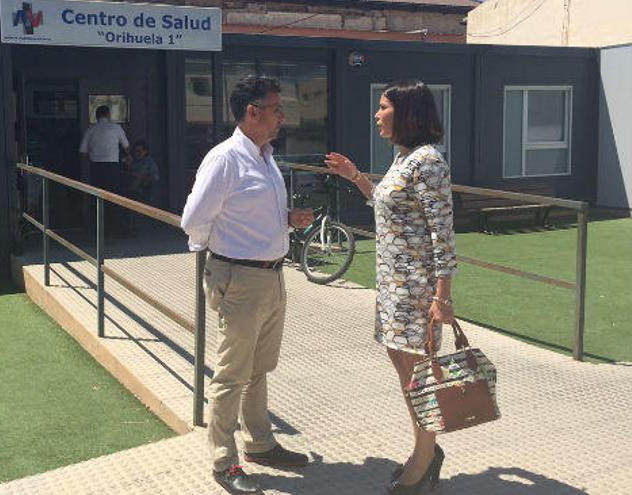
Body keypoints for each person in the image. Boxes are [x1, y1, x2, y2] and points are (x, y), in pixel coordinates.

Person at [181, 75, 315, 495]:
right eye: (276, 108)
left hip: (271, 276)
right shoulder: (225, 159)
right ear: (251, 112)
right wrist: (221, 262)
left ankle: (260, 444)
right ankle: (224, 459)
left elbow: (247, 210)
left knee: (259, 369)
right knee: (232, 374)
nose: (282, 116)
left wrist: (285, 220)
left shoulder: (265, 156)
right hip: (240, 278)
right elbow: (193, 220)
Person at [325, 80, 457, 495]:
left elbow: (443, 233)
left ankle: (424, 455)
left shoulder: (428, 162)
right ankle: (425, 448)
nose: (377, 114)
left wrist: (443, 296)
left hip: (417, 292)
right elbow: (386, 203)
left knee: (420, 374)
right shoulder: (403, 158)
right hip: (392, 288)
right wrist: (356, 177)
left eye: (383, 107)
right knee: (406, 372)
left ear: (406, 113)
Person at [79, 105, 130, 193]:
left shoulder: (90, 130)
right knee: (113, 193)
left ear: (96, 116)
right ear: (108, 115)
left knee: (96, 193)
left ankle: (96, 207)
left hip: (95, 166)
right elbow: (126, 147)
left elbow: (82, 152)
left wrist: (93, 156)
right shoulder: (116, 128)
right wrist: (127, 157)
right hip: (112, 165)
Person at [125, 139, 159, 204]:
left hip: (146, 192)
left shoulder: (150, 162)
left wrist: (142, 177)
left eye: (140, 151)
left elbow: (155, 178)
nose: (138, 153)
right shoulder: (132, 161)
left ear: (145, 151)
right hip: (132, 195)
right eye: (136, 151)